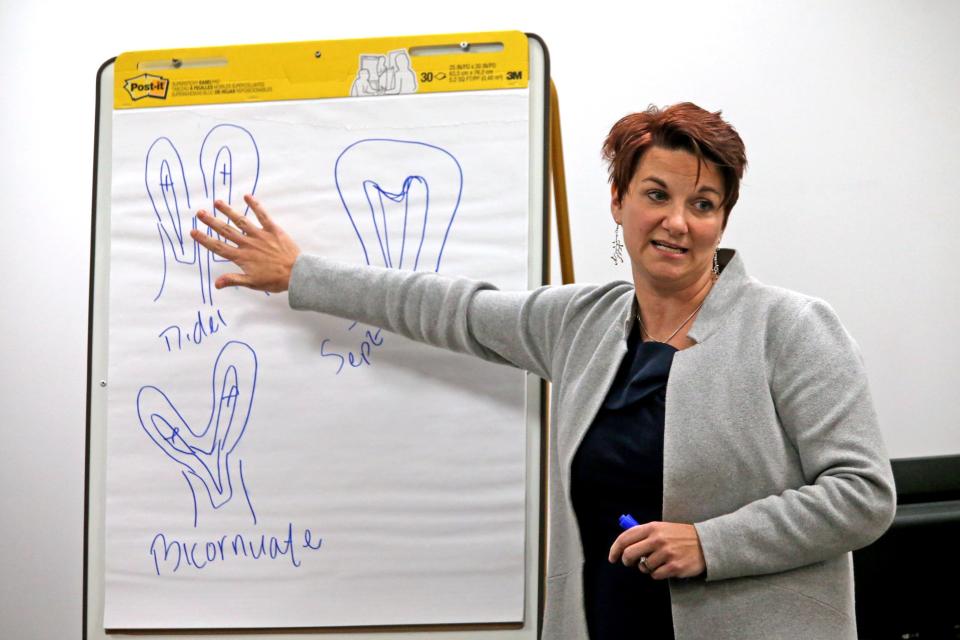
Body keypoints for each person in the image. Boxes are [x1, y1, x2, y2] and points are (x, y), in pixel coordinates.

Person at [189, 102, 896, 640]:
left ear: (723, 218)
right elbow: (449, 308)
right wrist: (300, 275)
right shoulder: (581, 324)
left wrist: (710, 543)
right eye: (656, 195)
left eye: (702, 204)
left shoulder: (792, 327)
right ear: (618, 202)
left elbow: (863, 495)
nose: (677, 222)